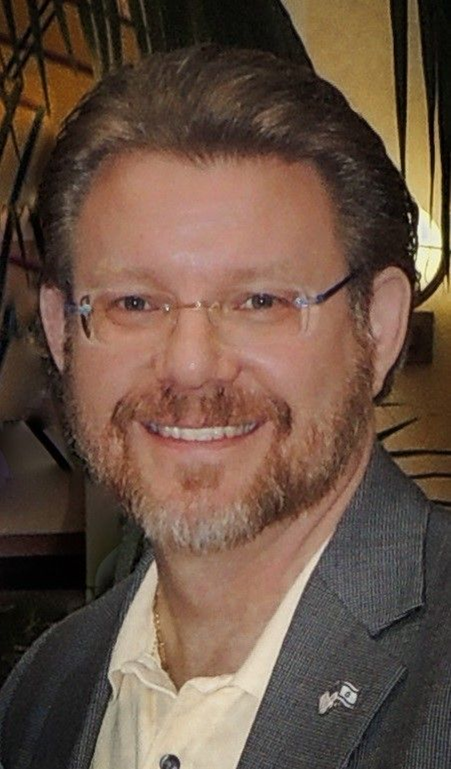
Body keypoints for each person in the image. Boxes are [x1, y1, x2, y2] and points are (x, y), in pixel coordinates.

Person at [0, 45, 449, 769]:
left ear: (378, 327)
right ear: (61, 331)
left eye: (259, 301)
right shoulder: (45, 692)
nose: (189, 365)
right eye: (134, 302)